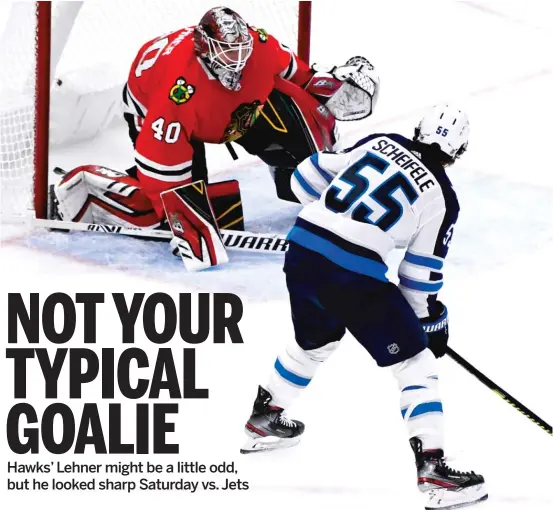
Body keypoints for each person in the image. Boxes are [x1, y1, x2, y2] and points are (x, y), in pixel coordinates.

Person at [240, 104, 488, 509]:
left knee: (314, 343)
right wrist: (425, 324)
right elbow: (418, 277)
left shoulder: (381, 142)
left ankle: (265, 418)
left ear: (419, 130)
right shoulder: (442, 197)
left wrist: (334, 209)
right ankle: (433, 469)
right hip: (352, 273)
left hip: (302, 251)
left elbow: (306, 175)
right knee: (416, 364)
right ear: (456, 153)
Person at [52, 6, 379, 234]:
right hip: (162, 120)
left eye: (241, 49)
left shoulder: (259, 45)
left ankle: (315, 183)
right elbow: (162, 167)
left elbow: (299, 77)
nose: (237, 60)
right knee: (166, 214)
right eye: (227, 52)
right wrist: (182, 217)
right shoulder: (177, 93)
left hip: (233, 113)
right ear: (205, 49)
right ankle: (87, 188)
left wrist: (331, 88)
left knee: (301, 116)